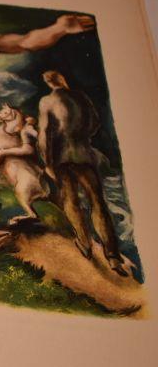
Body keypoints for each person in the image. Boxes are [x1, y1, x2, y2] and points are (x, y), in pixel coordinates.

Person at [37, 70, 127, 275]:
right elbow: (94, 123)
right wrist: (80, 137)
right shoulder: (81, 97)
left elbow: (44, 134)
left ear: (49, 82)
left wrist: (47, 162)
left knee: (71, 201)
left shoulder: (47, 102)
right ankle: (113, 256)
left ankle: (85, 244)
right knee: (97, 202)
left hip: (61, 158)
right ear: (61, 79)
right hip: (85, 154)